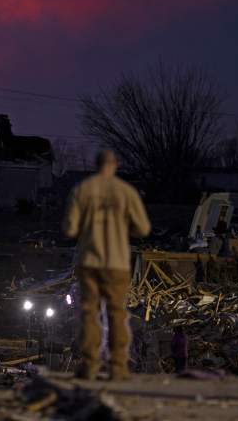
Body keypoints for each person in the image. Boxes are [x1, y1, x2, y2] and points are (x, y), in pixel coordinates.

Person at [64, 149, 151, 381]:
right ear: (115, 166)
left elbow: (70, 228)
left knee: (90, 314)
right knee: (116, 315)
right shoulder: (126, 193)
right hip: (116, 264)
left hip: (90, 262)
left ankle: (91, 363)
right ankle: (118, 365)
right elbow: (142, 228)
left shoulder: (82, 191)